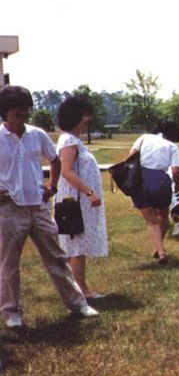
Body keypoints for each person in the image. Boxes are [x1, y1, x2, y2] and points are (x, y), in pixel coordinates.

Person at [0, 85, 98, 327]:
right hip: (10, 208)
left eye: (27, 110)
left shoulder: (37, 135)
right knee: (8, 263)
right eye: (17, 111)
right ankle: (12, 314)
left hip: (39, 207)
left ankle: (78, 304)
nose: (23, 115)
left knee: (57, 257)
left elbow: (54, 160)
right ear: (5, 112)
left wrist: (52, 186)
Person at [55, 95, 108, 299]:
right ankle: (82, 290)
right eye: (86, 115)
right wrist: (89, 192)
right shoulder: (69, 140)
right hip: (74, 202)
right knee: (76, 245)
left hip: (79, 201)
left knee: (77, 245)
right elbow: (66, 171)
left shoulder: (74, 140)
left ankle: (76, 289)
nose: (89, 119)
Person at [128, 120, 179, 265]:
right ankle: (159, 248)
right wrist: (177, 184)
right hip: (161, 180)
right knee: (163, 215)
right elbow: (175, 170)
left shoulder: (144, 138)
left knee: (151, 220)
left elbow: (131, 157)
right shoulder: (172, 146)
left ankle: (160, 251)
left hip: (140, 180)